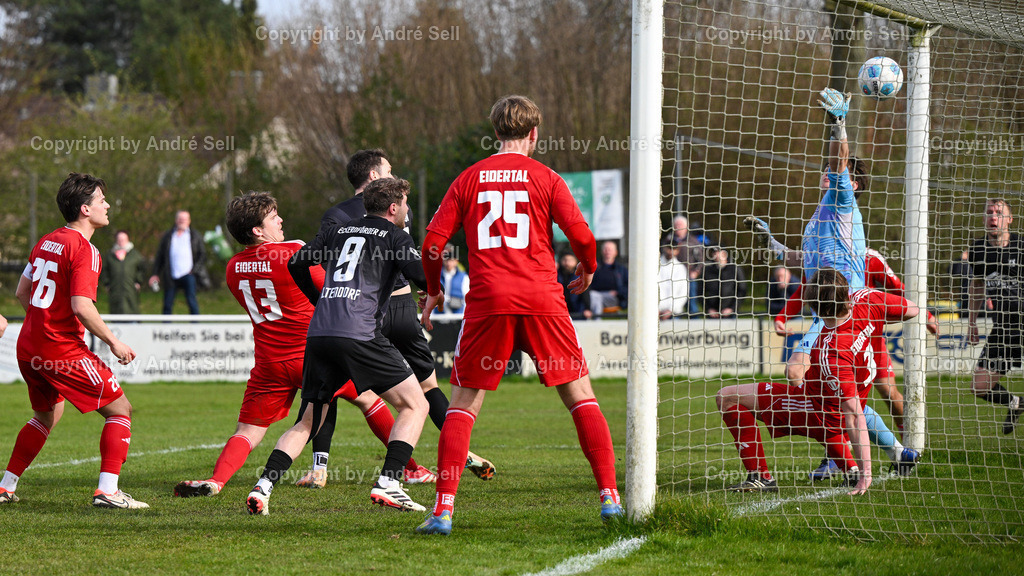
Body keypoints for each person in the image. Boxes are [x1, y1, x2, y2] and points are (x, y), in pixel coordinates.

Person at [417, 94, 622, 535]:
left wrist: (433, 291)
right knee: (581, 397)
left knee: (463, 406)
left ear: (495, 134)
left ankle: (444, 510)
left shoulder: (469, 178)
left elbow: (432, 245)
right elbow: (584, 238)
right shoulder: (546, 177)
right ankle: (609, 498)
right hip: (542, 300)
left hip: (488, 301)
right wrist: (587, 269)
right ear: (534, 134)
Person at [172, 191, 433, 498]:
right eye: (273, 217)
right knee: (371, 401)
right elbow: (334, 285)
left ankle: (216, 480)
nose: (280, 220)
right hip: (311, 351)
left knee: (248, 431)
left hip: (269, 360)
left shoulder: (232, 268)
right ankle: (410, 469)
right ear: (258, 230)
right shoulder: (292, 250)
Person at [292, 149, 493, 489]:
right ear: (373, 177)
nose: (392, 172)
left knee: (326, 390)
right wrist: (431, 288)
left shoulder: (337, 214)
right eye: (387, 168)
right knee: (427, 388)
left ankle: (319, 467)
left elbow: (322, 263)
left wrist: (320, 300)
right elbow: (412, 257)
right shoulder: (396, 208)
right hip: (399, 307)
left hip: (355, 311)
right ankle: (460, 452)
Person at [246, 177, 434, 516]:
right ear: (393, 208)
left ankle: (263, 486)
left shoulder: (340, 230)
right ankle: (390, 482)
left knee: (308, 421)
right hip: (359, 332)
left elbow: (297, 262)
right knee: (415, 404)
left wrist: (320, 301)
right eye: (405, 203)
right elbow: (422, 276)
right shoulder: (395, 236)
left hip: (320, 334)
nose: (407, 209)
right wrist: (433, 289)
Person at [0, 172, 145, 509]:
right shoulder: (85, 249)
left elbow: (23, 292)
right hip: (59, 349)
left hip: (29, 346)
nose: (107, 205)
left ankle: (6, 486)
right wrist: (114, 342)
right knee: (120, 410)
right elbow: (82, 306)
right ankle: (107, 491)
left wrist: (43, 320)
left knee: (46, 416)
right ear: (84, 209)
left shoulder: (46, 240)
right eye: (101, 201)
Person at [717, 268, 918, 494]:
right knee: (842, 407)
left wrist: (866, 475)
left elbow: (852, 415)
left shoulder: (830, 350)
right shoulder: (866, 299)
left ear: (813, 308)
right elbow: (912, 309)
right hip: (844, 403)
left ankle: (761, 476)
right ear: (846, 292)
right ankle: (873, 460)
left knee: (726, 397)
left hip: (819, 409)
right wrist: (875, 320)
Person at [966, 198, 1024, 434]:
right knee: (979, 387)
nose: (993, 216)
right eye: (989, 212)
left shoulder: (1021, 245)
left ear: (1009, 219)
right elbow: (977, 285)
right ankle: (1016, 403)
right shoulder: (978, 250)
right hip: (1003, 329)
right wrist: (972, 322)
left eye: (999, 212)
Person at [150, 210, 206, 314]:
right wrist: (155, 274)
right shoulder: (168, 236)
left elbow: (202, 255)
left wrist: (194, 270)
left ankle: (196, 328)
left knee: (192, 302)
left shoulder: (195, 235)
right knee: (167, 303)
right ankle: (165, 328)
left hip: (189, 274)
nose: (182, 221)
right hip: (171, 275)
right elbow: (160, 256)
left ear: (189, 221)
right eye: (180, 219)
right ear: (176, 220)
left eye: (184, 219)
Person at [100, 230, 148, 314]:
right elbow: (104, 270)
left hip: (130, 290)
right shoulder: (110, 255)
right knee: (116, 312)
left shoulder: (135, 255)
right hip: (115, 290)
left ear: (128, 240)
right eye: (119, 239)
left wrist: (138, 281)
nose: (121, 242)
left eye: (123, 239)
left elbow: (142, 269)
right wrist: (107, 283)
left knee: (132, 310)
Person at [667, 216, 705, 315]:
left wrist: (696, 271)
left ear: (687, 227)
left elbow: (700, 258)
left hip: (689, 276)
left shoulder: (693, 241)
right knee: (674, 302)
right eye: (677, 225)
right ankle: (674, 322)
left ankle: (694, 324)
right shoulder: (669, 239)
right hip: (673, 277)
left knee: (691, 302)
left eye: (681, 225)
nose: (678, 227)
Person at [701, 247, 746, 318]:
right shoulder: (707, 271)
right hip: (712, 314)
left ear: (724, 254)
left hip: (730, 313)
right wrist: (708, 309)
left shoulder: (734, 269)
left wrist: (732, 308)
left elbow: (742, 290)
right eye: (714, 253)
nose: (716, 255)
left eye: (718, 252)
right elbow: (700, 292)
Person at [587, 240, 627, 316]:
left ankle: (596, 321)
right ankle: (596, 321)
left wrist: (617, 292)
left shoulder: (622, 269)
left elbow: (628, 286)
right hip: (595, 295)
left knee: (594, 297)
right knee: (594, 296)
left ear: (616, 252)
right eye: (605, 249)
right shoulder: (595, 267)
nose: (607, 252)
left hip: (614, 297)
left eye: (610, 250)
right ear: (602, 252)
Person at [658, 241, 688, 319]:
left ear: (678, 250)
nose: (671, 251)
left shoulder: (680, 268)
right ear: (664, 248)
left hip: (674, 314)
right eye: (669, 248)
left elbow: (683, 293)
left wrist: (671, 310)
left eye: (674, 248)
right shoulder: (655, 266)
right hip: (655, 313)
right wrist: (656, 309)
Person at [440, 244, 470, 314]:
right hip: (439, 315)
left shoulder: (463, 276)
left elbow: (467, 298)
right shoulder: (436, 276)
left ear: (456, 261)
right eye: (446, 260)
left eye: (451, 260)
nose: (448, 263)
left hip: (458, 314)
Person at [558, 252, 589, 317]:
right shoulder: (556, 275)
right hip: (560, 309)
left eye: (570, 260)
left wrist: (587, 308)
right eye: (565, 260)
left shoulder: (580, 276)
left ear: (576, 262)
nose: (567, 263)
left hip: (577, 309)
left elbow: (585, 292)